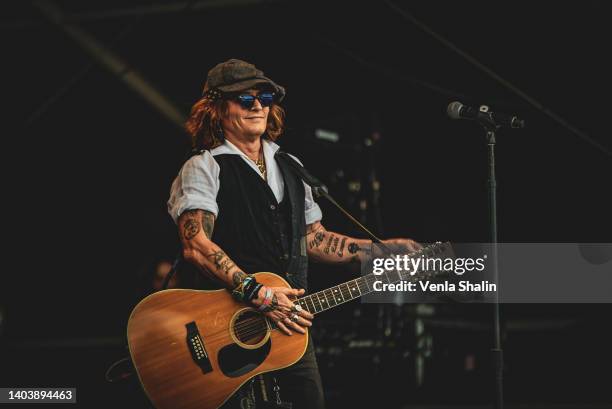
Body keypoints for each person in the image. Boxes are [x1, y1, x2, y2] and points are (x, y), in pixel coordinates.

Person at [167, 58, 420, 409]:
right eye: (243, 98)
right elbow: (195, 245)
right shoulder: (205, 166)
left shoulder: (290, 166)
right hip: (221, 328)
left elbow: (314, 238)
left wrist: (380, 251)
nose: (257, 105)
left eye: (265, 97)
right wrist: (257, 293)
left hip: (289, 324)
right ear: (216, 109)